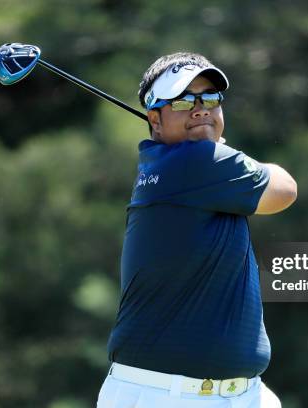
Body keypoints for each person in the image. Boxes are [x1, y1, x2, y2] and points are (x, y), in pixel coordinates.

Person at [96, 52, 297, 408]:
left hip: (241, 395)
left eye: (210, 99)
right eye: (184, 100)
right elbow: (285, 189)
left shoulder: (171, 163)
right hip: (166, 397)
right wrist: (225, 152)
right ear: (154, 120)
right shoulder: (196, 162)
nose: (200, 108)